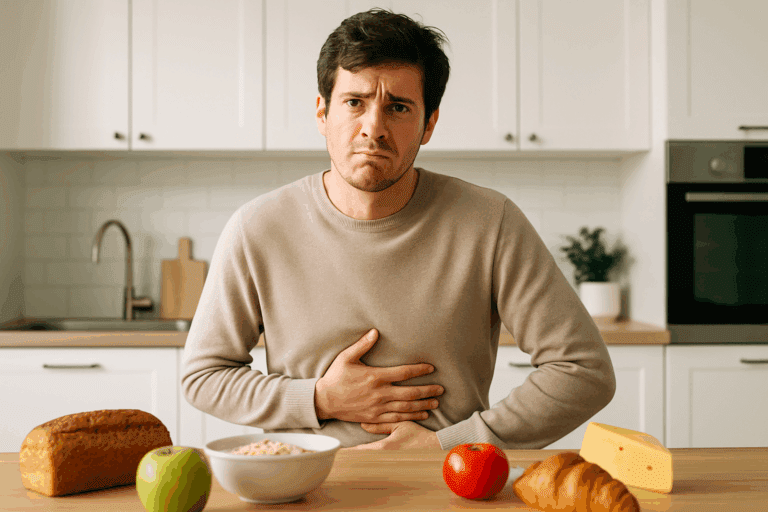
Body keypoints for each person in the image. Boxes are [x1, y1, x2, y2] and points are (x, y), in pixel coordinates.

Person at [181, 8, 616, 450]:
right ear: (322, 112)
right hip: (301, 487)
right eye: (355, 102)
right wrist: (318, 398)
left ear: (429, 124)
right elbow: (203, 376)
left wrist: (450, 445)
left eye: (399, 107)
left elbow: (584, 371)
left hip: (447, 487)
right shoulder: (257, 227)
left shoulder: (491, 222)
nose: (374, 128)